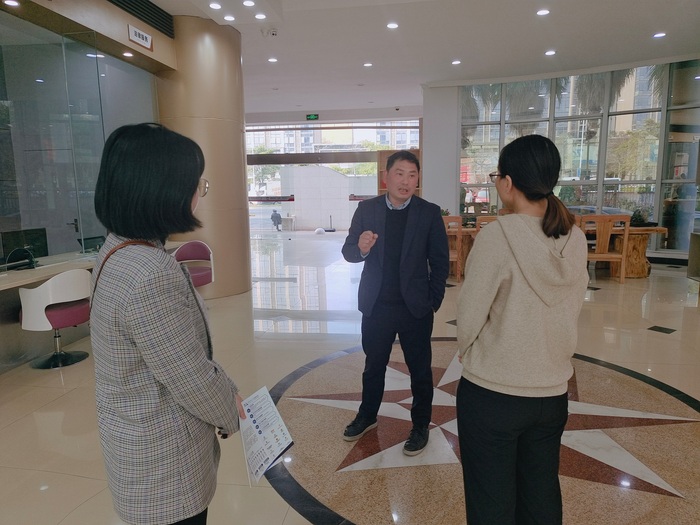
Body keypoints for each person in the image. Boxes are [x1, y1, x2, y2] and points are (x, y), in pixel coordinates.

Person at [91, 123, 245, 525]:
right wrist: (233, 414)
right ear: (163, 190)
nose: (198, 193)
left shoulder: (115, 250)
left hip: (133, 440)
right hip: (165, 465)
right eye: (196, 183)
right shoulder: (150, 274)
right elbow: (189, 377)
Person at [456, 135, 589, 525]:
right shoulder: (576, 237)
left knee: (491, 500)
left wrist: (471, 351)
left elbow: (470, 315)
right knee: (541, 493)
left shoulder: (497, 236)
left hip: (494, 391)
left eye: (497, 175)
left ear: (508, 182)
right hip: (552, 392)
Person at [341, 150, 449, 456]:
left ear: (418, 179)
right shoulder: (367, 209)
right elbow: (348, 251)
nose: (406, 181)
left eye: (412, 175)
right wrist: (361, 248)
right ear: (386, 177)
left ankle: (420, 425)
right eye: (399, 173)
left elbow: (440, 262)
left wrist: (432, 301)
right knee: (373, 365)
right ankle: (367, 416)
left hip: (415, 308)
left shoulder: (429, 213)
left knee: (420, 370)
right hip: (377, 306)